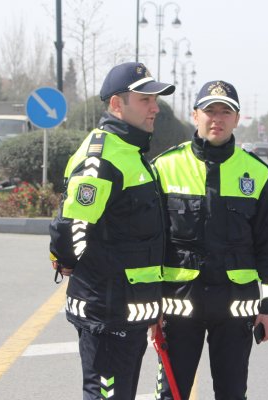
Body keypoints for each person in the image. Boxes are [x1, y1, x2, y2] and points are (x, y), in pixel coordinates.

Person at [49, 62, 175, 400]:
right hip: (106, 312)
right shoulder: (102, 157)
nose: (155, 107)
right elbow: (70, 227)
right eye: (145, 99)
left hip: (128, 309)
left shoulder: (131, 152)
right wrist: (73, 264)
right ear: (117, 105)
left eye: (155, 99)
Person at [152, 80, 268, 400]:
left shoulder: (256, 174)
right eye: (210, 111)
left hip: (235, 308)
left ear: (237, 119)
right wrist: (148, 302)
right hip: (178, 306)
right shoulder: (165, 167)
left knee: (232, 393)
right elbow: (150, 242)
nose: (217, 118)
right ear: (195, 115)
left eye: (226, 112)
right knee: (172, 394)